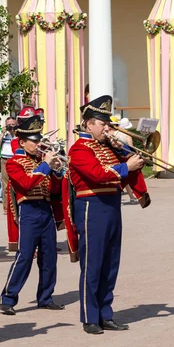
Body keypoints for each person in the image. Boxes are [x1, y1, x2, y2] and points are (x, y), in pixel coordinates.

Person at [64, 95, 149, 334]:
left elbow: (123, 176)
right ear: (89, 124)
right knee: (93, 265)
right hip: (92, 206)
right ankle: (90, 317)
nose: (107, 128)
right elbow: (97, 174)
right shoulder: (79, 149)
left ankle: (105, 313)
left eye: (108, 124)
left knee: (111, 263)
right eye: (103, 124)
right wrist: (125, 166)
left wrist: (131, 158)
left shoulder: (108, 148)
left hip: (112, 204)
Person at [0, 114, 65, 315]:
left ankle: (45, 297)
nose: (38, 145)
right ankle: (8, 298)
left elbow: (52, 190)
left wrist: (56, 171)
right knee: (25, 256)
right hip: (28, 211)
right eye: (34, 142)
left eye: (39, 140)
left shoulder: (41, 161)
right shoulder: (14, 163)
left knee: (49, 256)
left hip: (45, 210)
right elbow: (26, 184)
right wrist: (45, 165)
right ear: (23, 142)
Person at [110, 117, 138, 204]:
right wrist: (137, 153)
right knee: (127, 179)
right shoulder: (127, 135)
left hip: (118, 158)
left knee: (124, 178)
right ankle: (134, 196)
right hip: (126, 157)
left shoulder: (115, 134)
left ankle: (132, 196)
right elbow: (131, 147)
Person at [0, 117, 17, 213]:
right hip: (5, 160)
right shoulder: (3, 133)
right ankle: (6, 208)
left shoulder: (18, 133)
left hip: (15, 159)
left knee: (16, 183)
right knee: (5, 184)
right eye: (9, 124)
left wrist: (14, 133)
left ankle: (16, 206)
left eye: (12, 124)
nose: (11, 126)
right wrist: (3, 133)